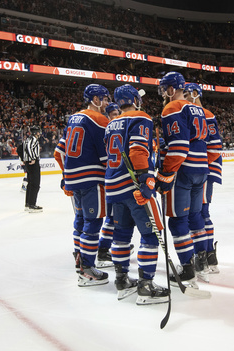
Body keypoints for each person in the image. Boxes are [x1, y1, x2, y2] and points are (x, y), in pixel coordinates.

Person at [105, 84, 169, 304]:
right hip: (134, 187)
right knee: (150, 235)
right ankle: (146, 285)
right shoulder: (141, 117)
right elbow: (137, 150)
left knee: (121, 234)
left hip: (113, 186)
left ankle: (122, 281)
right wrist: (146, 181)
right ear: (134, 99)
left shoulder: (110, 123)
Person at [54, 84, 110, 287]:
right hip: (91, 178)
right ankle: (87, 270)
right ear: (95, 99)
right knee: (93, 223)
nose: (106, 103)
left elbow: (58, 152)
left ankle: (80, 257)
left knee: (80, 219)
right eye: (103, 98)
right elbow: (107, 157)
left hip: (73, 178)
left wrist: (66, 174)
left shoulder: (73, 118)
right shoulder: (99, 119)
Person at [156, 72, 209, 289]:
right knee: (195, 216)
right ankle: (201, 262)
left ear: (171, 89)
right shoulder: (197, 107)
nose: (162, 93)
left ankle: (187, 270)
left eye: (164, 88)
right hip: (201, 167)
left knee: (178, 220)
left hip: (183, 169)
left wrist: (166, 174)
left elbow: (178, 147)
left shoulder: (172, 107)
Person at [184, 83, 222, 275]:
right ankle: (208, 255)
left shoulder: (203, 114)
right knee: (200, 213)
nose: (184, 96)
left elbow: (215, 147)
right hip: (204, 170)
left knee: (200, 213)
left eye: (186, 93)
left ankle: (206, 255)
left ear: (196, 94)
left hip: (203, 170)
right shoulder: (199, 113)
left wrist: (199, 164)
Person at [97, 102, 121, 268]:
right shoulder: (106, 130)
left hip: (115, 178)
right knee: (112, 218)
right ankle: (104, 249)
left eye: (118, 113)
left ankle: (112, 246)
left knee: (115, 218)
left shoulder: (115, 129)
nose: (117, 116)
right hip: (111, 179)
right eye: (113, 114)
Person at [23, 126, 42, 213]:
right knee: (35, 184)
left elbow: (23, 148)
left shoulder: (27, 139)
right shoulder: (33, 139)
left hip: (28, 162)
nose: (39, 133)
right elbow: (29, 148)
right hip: (33, 163)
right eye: (38, 132)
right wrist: (32, 158)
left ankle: (28, 204)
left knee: (30, 184)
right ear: (35, 132)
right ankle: (32, 205)